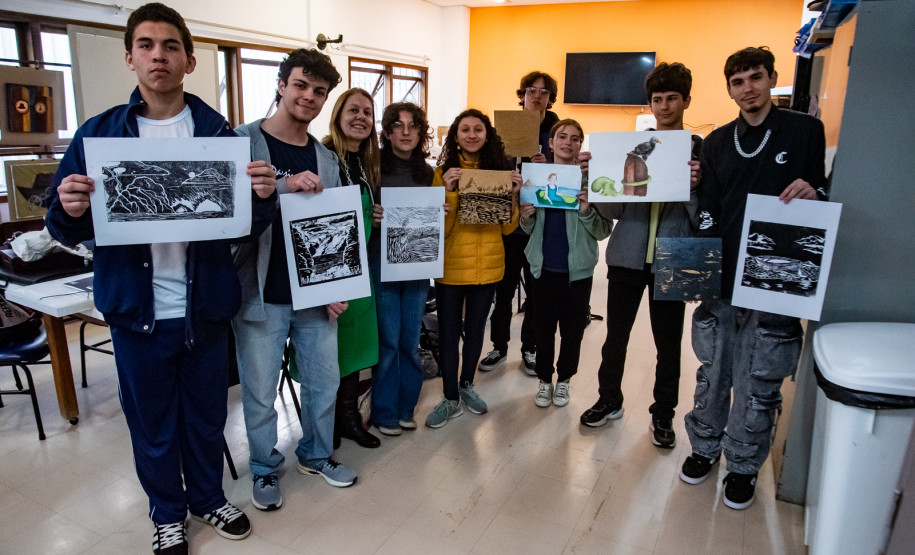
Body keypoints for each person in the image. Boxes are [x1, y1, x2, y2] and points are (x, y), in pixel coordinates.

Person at [44, 4, 275, 553]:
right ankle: (167, 513)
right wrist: (70, 206)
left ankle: (207, 499)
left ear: (189, 60)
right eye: (146, 45)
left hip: (205, 310)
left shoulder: (219, 135)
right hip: (135, 313)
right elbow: (64, 223)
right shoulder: (100, 136)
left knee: (206, 417)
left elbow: (246, 226)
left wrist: (264, 199)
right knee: (152, 425)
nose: (158, 56)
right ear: (130, 57)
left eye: (170, 45)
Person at [680, 46, 827, 510]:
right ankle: (704, 447)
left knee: (760, 374)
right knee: (714, 367)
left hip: (777, 272)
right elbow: (708, 211)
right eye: (738, 81)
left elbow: (823, 191)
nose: (748, 88)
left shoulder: (805, 130)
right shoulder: (719, 141)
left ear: (771, 78)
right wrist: (696, 273)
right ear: (729, 89)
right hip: (723, 269)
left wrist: (816, 191)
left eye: (755, 77)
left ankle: (743, 464)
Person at [233, 47, 358, 514]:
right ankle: (264, 468)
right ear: (281, 85)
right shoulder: (241, 143)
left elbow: (335, 226)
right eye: (301, 85)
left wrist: (337, 285)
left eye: (319, 91)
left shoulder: (326, 158)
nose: (309, 96)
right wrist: (284, 186)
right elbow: (227, 214)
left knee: (324, 383)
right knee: (261, 391)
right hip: (261, 292)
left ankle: (316, 455)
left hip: (314, 294)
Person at [579, 62, 703, 451]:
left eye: (671, 99)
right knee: (615, 336)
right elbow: (615, 212)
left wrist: (694, 186)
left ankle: (663, 413)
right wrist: (594, 178)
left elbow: (703, 217)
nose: (664, 106)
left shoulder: (699, 151)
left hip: (677, 257)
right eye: (657, 100)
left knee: (669, 343)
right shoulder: (632, 148)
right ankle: (608, 399)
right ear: (650, 104)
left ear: (686, 100)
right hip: (627, 256)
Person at [426, 109, 521, 428]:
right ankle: (449, 397)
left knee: (477, 331)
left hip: (489, 266)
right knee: (450, 333)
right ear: (455, 136)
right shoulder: (442, 173)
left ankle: (467, 385)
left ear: (487, 134)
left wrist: (513, 196)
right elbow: (441, 229)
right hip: (451, 268)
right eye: (464, 129)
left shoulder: (499, 172)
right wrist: (450, 193)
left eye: (477, 129)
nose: (471, 134)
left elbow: (508, 230)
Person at [519, 119, 611, 408]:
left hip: (578, 272)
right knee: (543, 329)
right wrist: (527, 216)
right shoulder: (535, 178)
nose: (567, 142)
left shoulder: (593, 183)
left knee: (572, 331)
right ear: (551, 142)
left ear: (580, 145)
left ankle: (565, 380)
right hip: (543, 268)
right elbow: (528, 229)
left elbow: (603, 230)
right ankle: (544, 381)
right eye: (562, 136)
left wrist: (585, 211)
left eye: (575, 138)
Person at [479, 71, 559, 375]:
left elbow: (567, 175)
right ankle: (499, 345)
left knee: (537, 291)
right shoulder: (502, 129)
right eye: (530, 90)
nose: (536, 96)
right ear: (521, 95)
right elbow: (486, 170)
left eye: (543, 92)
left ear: (551, 99)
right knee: (503, 289)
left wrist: (548, 167)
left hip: (540, 224)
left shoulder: (557, 131)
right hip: (506, 222)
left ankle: (530, 348)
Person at [370, 102, 436, 436]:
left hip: (416, 266)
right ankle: (383, 411)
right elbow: (360, 212)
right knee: (389, 343)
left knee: (410, 342)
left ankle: (406, 407)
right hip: (382, 266)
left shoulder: (427, 172)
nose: (406, 132)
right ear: (387, 131)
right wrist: (373, 215)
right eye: (399, 125)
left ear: (422, 132)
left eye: (413, 126)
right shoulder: (373, 167)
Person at [322, 88, 382, 449]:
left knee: (354, 346)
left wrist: (373, 214)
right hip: (330, 266)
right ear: (339, 114)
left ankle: (348, 417)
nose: (361, 117)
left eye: (368, 112)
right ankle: (325, 421)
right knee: (326, 348)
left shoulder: (367, 161)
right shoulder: (324, 155)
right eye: (353, 110)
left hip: (360, 267)